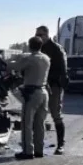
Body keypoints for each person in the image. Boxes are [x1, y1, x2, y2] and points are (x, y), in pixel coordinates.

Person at [7, 36, 50, 160]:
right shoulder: (46, 58)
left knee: (27, 123)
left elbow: (16, 67)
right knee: (40, 124)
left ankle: (27, 151)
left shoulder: (30, 58)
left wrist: (6, 62)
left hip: (32, 93)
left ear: (29, 45)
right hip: (43, 92)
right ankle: (39, 150)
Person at [35, 25, 68, 155]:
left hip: (54, 86)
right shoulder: (38, 48)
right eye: (37, 35)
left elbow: (62, 71)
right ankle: (38, 143)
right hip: (40, 86)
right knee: (38, 116)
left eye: (41, 35)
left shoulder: (56, 49)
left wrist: (54, 83)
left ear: (47, 35)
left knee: (56, 115)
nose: (38, 37)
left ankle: (61, 144)